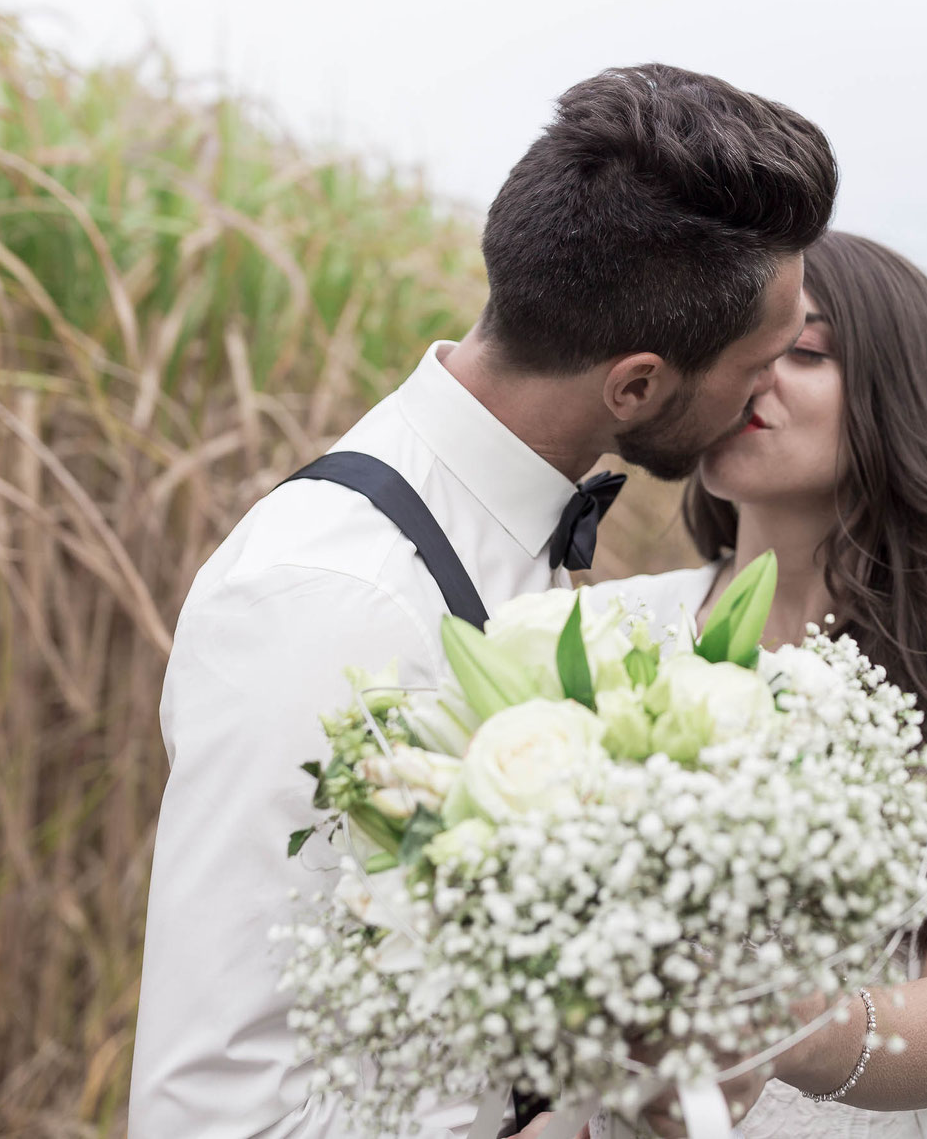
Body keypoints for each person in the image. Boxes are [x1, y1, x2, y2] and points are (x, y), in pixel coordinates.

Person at [130, 64, 838, 1138]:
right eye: (758, 361)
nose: (764, 394)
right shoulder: (328, 596)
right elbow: (216, 1114)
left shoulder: (512, 531)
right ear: (636, 384)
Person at [590, 231, 927, 1139]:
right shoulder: (610, 638)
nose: (751, 380)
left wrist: (773, 1029)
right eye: (731, 353)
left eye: (803, 351)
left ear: (900, 390)